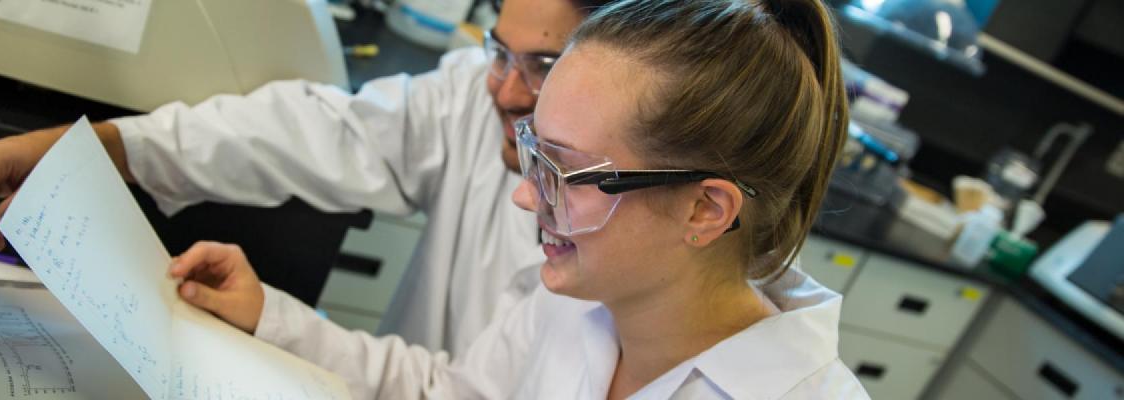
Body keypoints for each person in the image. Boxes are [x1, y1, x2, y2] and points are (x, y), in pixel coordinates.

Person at [166, 0, 870, 398]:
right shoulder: (580, 300)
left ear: (705, 210)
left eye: (561, 172)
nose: (526, 201)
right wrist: (273, 319)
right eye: (532, 152)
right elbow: (451, 394)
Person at [0, 0, 615, 355]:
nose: (503, 90)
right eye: (499, 52)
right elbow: (306, 131)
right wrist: (105, 145)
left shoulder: (642, 247)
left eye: (544, 64)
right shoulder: (478, 97)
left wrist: (282, 324)